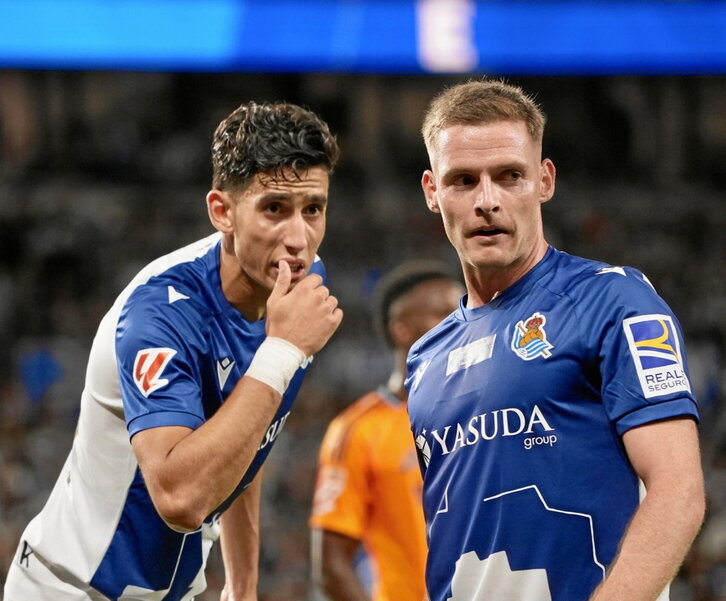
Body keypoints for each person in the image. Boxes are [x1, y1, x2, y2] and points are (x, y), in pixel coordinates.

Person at [4, 101, 343, 601]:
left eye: (313, 209)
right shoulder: (158, 317)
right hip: (70, 590)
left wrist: (243, 584)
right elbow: (180, 499)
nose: (299, 238)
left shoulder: (296, 285)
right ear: (222, 212)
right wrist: (282, 349)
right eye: (274, 208)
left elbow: (250, 431)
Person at [406, 79, 706, 601]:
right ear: (433, 192)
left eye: (509, 176)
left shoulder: (615, 301)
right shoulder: (424, 358)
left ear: (544, 180)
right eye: (463, 181)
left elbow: (678, 490)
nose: (487, 201)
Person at [309, 262, 464, 601]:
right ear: (402, 330)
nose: (462, 324)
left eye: (465, 312)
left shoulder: (493, 415)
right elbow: (332, 565)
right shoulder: (359, 430)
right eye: (445, 314)